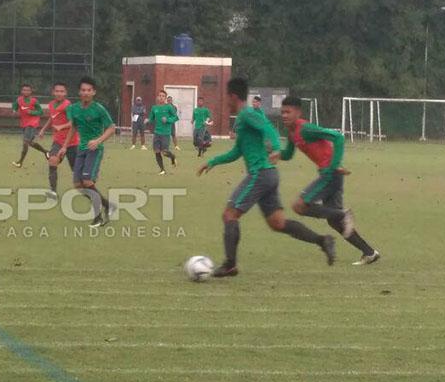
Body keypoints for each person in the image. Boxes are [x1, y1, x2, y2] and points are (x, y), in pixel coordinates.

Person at [197, 78, 336, 277]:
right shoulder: (243, 118)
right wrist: (213, 162)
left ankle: (230, 265)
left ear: (232, 96)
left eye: (226, 96)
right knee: (278, 223)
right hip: (269, 175)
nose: (225, 100)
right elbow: (237, 151)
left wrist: (276, 148)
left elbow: (268, 129)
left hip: (260, 175)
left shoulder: (247, 114)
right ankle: (323, 241)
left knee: (230, 215)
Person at [280, 96, 381, 265]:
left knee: (299, 206)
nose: (284, 115)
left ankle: (343, 213)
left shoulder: (306, 129)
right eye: (282, 112)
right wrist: (274, 152)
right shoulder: (290, 133)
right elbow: (288, 154)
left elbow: (338, 138)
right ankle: (369, 253)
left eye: (288, 112)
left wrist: (333, 166)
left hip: (330, 174)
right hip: (330, 174)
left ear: (298, 113)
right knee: (335, 222)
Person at [60, 77, 116, 228]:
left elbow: (111, 128)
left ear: (94, 92)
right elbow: (73, 127)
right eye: (83, 90)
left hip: (95, 150)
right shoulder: (74, 109)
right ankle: (108, 205)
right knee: (78, 185)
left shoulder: (99, 109)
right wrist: (65, 146)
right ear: (79, 92)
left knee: (87, 182)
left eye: (89, 90)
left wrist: (98, 141)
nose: (85, 93)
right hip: (81, 149)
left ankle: (97, 217)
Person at [38, 82, 79, 200]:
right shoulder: (51, 105)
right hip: (57, 141)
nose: (59, 93)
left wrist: (61, 127)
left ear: (65, 93)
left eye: (62, 91)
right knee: (52, 160)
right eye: (57, 91)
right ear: (53, 92)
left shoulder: (68, 106)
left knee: (76, 171)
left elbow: (72, 123)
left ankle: (89, 186)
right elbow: (52, 118)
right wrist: (43, 129)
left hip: (71, 142)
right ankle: (53, 192)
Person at [11, 84, 48, 168]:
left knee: (25, 142)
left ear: (31, 92)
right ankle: (46, 152)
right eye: (24, 90)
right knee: (30, 143)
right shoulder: (19, 100)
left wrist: (32, 112)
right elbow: (14, 107)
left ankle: (20, 162)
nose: (26, 91)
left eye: (28, 90)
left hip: (32, 123)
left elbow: (41, 112)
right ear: (21, 91)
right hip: (24, 123)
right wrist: (14, 110)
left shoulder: (34, 101)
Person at [149, 90, 178, 175]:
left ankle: (172, 157)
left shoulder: (169, 107)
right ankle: (162, 170)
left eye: (163, 96)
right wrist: (148, 120)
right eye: (160, 96)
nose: (161, 97)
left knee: (164, 152)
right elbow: (151, 118)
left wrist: (168, 120)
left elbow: (176, 117)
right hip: (157, 133)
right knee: (157, 151)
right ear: (158, 97)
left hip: (165, 133)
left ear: (165, 98)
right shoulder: (154, 108)